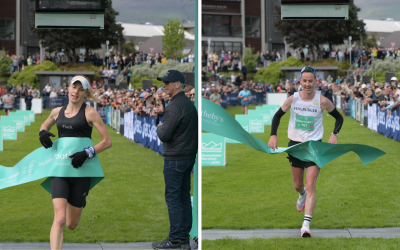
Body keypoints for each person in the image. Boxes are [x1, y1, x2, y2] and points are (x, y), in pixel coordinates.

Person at [267, 66, 344, 238]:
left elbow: (339, 117)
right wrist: (273, 135)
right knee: (298, 185)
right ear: (300, 81)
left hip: (314, 147)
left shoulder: (323, 100)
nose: (308, 84)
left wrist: (334, 134)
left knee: (311, 185)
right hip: (295, 145)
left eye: (311, 81)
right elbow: (277, 116)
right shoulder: (292, 99)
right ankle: (300, 195)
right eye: (305, 81)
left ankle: (306, 225)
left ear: (316, 81)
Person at [38, 76, 112, 250]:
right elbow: (45, 124)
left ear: (85, 93)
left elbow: (107, 141)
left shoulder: (90, 113)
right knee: (60, 219)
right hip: (60, 171)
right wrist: (42, 132)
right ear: (68, 87)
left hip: (81, 171)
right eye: (74, 87)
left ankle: (79, 200)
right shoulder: (57, 111)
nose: (76, 92)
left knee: (71, 224)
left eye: (80, 89)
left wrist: (88, 152)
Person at [153, 70, 198, 250]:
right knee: (183, 197)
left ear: (178, 84)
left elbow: (164, 134)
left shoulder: (175, 105)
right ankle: (183, 239)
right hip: (187, 157)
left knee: (173, 198)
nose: (164, 85)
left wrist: (159, 126)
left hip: (176, 158)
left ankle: (174, 240)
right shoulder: (186, 103)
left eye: (167, 82)